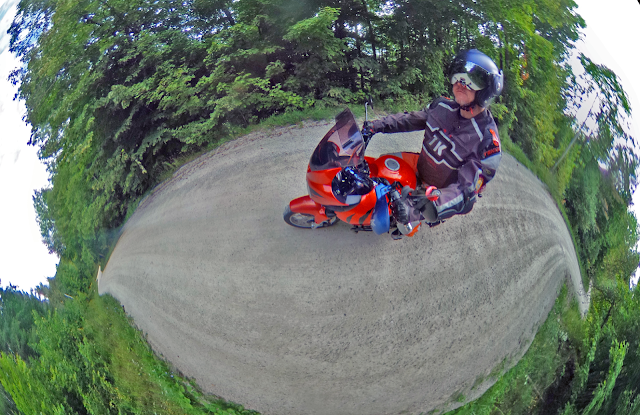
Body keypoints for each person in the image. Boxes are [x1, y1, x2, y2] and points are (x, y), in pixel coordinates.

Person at [363, 49, 504, 231]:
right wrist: (375, 126)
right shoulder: (441, 106)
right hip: (417, 165)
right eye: (457, 77)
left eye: (471, 81)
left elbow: (465, 191)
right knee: (378, 166)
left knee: (402, 223)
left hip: (433, 193)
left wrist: (423, 208)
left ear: (486, 91)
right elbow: (409, 119)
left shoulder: (487, 141)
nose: (460, 84)